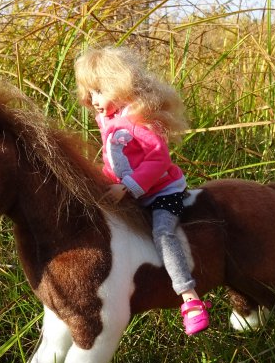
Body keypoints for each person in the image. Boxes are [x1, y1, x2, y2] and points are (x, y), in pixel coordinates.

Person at [74, 46, 210, 335]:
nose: (93, 100)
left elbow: (159, 159)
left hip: (163, 192)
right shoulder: (109, 119)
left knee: (163, 234)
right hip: (131, 190)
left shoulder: (139, 118)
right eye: (90, 93)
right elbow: (117, 161)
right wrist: (100, 180)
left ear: (119, 84)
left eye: (99, 91)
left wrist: (127, 187)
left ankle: (189, 299)